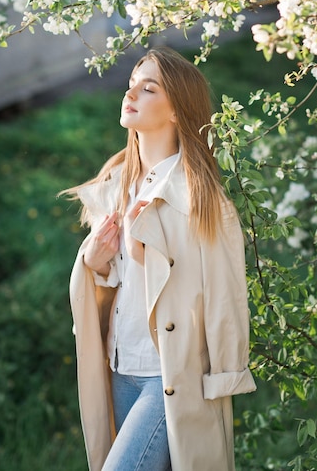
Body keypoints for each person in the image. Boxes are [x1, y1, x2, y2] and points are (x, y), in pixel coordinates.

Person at [65, 46, 256, 471]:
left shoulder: (201, 199)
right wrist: (94, 264)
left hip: (168, 374)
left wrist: (225, 376)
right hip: (119, 363)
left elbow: (227, 296)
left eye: (148, 88)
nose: (130, 94)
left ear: (176, 112)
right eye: (131, 85)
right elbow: (114, 286)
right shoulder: (116, 186)